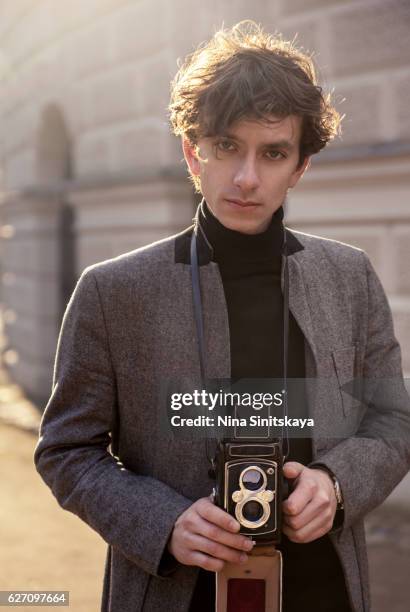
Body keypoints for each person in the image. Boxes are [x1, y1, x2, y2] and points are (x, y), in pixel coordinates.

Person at [34, 21, 410, 612]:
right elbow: (66, 450)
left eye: (273, 153)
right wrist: (163, 522)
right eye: (227, 146)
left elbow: (393, 420)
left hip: (325, 587)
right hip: (174, 592)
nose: (246, 178)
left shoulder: (350, 276)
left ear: (301, 166)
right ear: (193, 152)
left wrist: (336, 485)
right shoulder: (112, 291)